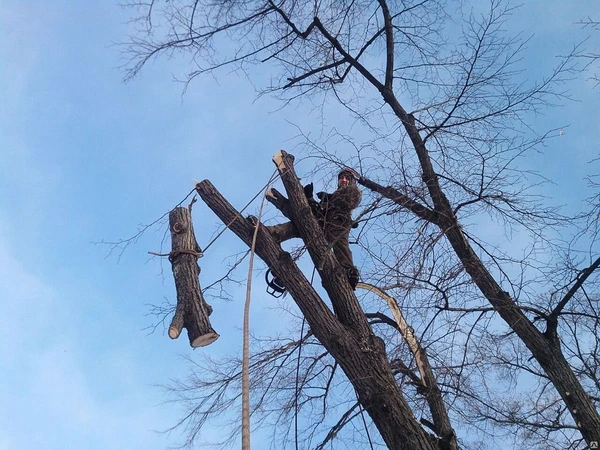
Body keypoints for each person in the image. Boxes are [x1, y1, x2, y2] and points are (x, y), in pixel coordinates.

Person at [267, 167, 362, 290]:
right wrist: (310, 199)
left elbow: (347, 201)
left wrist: (328, 198)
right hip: (321, 223)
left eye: (347, 178)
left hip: (337, 222)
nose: (343, 180)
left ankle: (348, 272)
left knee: (340, 244)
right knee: (298, 225)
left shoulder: (353, 191)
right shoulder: (330, 198)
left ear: (352, 181)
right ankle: (273, 232)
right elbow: (319, 212)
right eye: (341, 178)